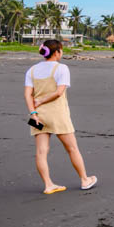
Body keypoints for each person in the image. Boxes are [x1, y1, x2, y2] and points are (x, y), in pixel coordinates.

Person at [24, 39, 97, 195]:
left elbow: (27, 95)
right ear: (57, 52)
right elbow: (59, 92)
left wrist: (33, 112)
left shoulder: (31, 70)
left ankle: (48, 184)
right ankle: (85, 179)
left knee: (41, 152)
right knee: (72, 148)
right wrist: (42, 99)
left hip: (37, 116)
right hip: (57, 115)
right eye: (61, 51)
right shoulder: (61, 68)